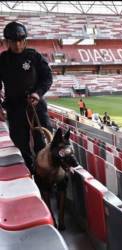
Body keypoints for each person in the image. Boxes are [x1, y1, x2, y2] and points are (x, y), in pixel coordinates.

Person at [0, 21, 53, 174]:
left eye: (20, 41)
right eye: (13, 42)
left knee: (42, 142)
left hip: (36, 105)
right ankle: (28, 174)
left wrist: (38, 93)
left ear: (25, 41)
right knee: (20, 144)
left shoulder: (34, 56)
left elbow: (47, 77)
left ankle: (44, 173)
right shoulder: (2, 60)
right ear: (6, 42)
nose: (17, 45)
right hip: (14, 107)